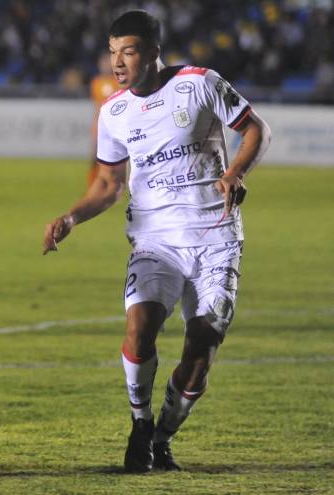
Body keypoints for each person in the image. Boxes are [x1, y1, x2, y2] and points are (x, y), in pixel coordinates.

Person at [43, 10, 271, 473]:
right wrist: (71, 217)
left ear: (152, 52)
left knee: (200, 350)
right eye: (112, 52)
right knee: (139, 326)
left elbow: (256, 130)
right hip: (154, 240)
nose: (117, 62)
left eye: (127, 52)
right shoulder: (114, 112)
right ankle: (140, 423)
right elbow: (108, 183)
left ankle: (162, 436)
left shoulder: (199, 84)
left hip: (216, 238)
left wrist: (235, 172)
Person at [88, 51, 119, 186]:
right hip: (99, 124)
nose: (105, 66)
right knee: (94, 156)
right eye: (102, 63)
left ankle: (116, 186)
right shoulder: (96, 82)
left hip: (114, 125)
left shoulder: (117, 82)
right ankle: (92, 184)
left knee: (116, 159)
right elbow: (96, 105)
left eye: (107, 63)